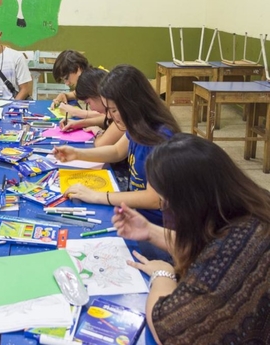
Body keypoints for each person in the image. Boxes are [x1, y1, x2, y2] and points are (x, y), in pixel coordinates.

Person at [112, 133, 270, 344]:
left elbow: (168, 328)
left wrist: (162, 274)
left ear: (188, 203)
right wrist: (150, 231)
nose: (164, 208)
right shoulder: (249, 208)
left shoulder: (236, 252)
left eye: (165, 202)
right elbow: (206, 245)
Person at [53, 64, 181, 227]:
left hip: (155, 226)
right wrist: (77, 154)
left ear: (131, 105)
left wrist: (97, 196)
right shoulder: (137, 125)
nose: (109, 116)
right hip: (136, 214)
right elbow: (117, 151)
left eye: (113, 110)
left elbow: (154, 199)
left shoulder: (161, 138)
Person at [50, 50, 101, 120]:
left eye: (67, 78)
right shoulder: (86, 82)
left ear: (78, 68)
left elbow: (107, 115)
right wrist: (64, 95)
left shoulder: (98, 81)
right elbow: (75, 94)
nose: (67, 83)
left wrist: (75, 112)